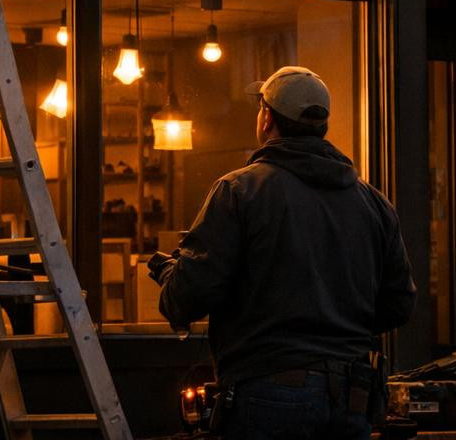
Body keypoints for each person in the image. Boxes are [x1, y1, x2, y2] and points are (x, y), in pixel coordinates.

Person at [149, 66, 416, 439]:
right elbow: (399, 303)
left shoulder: (239, 191)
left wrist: (169, 275)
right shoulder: (373, 203)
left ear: (267, 118)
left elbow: (187, 298)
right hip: (352, 393)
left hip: (269, 390)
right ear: (321, 125)